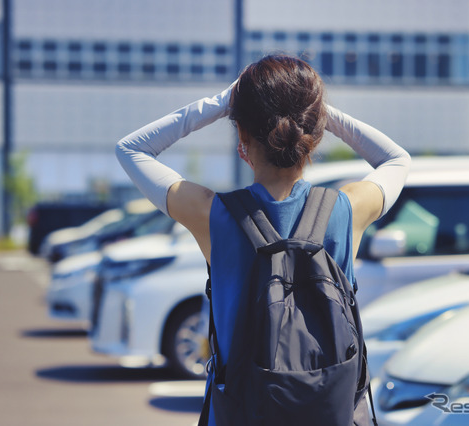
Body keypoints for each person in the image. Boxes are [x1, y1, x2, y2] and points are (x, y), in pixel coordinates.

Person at [116, 54, 411, 424]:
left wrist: (223, 102)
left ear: (242, 134)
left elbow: (131, 148)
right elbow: (397, 160)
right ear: (313, 133)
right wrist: (323, 114)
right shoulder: (346, 209)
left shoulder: (214, 214)